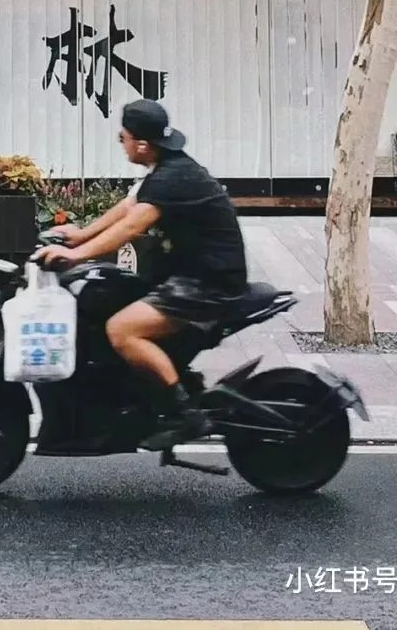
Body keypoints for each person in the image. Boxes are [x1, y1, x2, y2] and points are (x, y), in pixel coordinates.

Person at [40, 98, 248, 449]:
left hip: (207, 282)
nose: (120, 142)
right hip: (186, 275)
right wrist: (80, 235)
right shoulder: (163, 170)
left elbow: (132, 226)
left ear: (141, 144)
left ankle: (184, 415)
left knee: (121, 329)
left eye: (122, 137)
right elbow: (128, 207)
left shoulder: (172, 178)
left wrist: (74, 256)